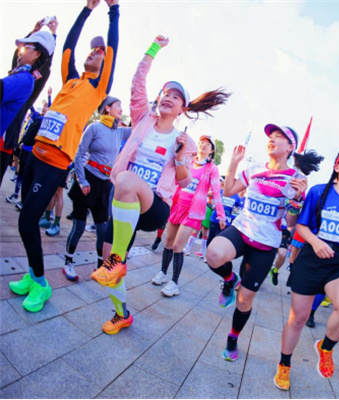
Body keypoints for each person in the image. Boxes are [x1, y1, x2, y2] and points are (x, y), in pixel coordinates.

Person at [89, 34, 229, 334]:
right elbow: (137, 81)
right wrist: (153, 49)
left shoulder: (185, 141)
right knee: (109, 262)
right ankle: (122, 313)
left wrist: (179, 158)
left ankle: (117, 260)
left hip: (155, 206)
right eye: (166, 93)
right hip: (125, 201)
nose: (168, 97)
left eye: (176, 97)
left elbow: (185, 180)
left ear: (182, 109)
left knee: (126, 180)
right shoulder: (142, 118)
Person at [9, 0, 119, 313]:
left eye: (99, 53)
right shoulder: (71, 79)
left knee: (27, 222)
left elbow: (113, 49)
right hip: (34, 155)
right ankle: (33, 275)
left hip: (54, 163)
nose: (94, 52)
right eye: (92, 50)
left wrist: (113, 10)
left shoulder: (98, 88)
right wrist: (87, 9)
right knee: (26, 220)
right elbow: (69, 46)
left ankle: (41, 283)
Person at [205, 124, 321, 363]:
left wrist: (297, 199)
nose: (272, 140)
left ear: (290, 147)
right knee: (213, 254)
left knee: (244, 300)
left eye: (279, 137)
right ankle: (230, 279)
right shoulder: (255, 168)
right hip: (242, 228)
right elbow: (228, 191)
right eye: (270, 136)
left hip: (266, 242)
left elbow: (291, 222)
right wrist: (234, 163)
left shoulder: (296, 178)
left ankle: (233, 338)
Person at [274, 148, 339, 390]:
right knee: (298, 319)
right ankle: (284, 364)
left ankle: (326, 347)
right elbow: (300, 226)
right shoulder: (318, 192)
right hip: (312, 257)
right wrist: (316, 242)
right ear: (337, 166)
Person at [62, 96, 131, 280]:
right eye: (118, 105)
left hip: (105, 186)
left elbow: (140, 129)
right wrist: (82, 181)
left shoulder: (120, 132)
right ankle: (68, 262)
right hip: (88, 181)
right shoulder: (94, 128)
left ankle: (100, 266)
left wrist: (153, 108)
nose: (121, 109)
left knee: (102, 230)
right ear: (107, 108)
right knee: (79, 227)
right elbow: (79, 155)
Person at [151, 135, 225, 297]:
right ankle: (163, 272)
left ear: (212, 151)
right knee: (168, 242)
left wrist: (221, 215)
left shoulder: (212, 169)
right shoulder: (188, 161)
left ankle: (174, 283)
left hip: (193, 211)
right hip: (177, 206)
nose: (203, 145)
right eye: (201, 142)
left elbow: (216, 192)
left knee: (178, 246)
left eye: (207, 144)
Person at [1, 20, 56, 185]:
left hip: (4, 143)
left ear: (37, 54)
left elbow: (45, 65)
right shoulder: (18, 74)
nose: (20, 53)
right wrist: (33, 32)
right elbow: (18, 59)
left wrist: (52, 36)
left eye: (26, 48)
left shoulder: (27, 80)